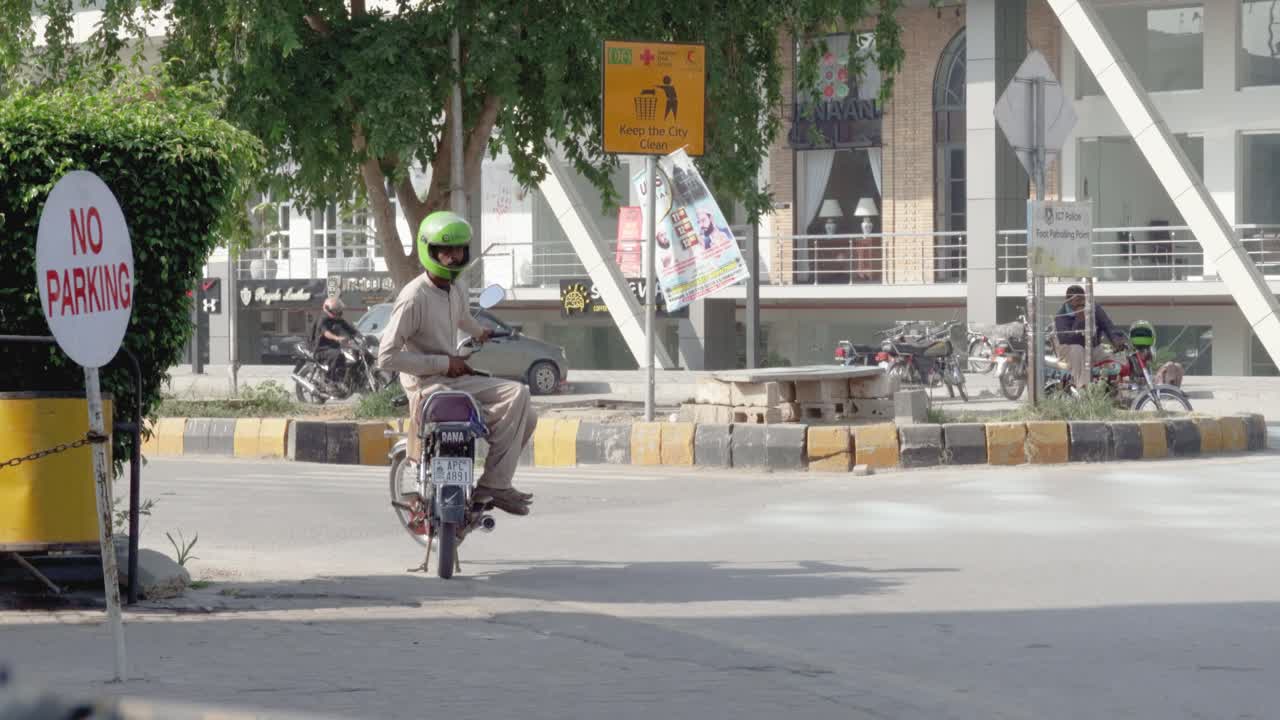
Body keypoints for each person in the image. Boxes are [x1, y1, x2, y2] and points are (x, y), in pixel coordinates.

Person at [376, 211, 536, 516]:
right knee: (467, 404)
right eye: (445, 251)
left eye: (459, 250)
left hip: (452, 374)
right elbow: (386, 356)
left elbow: (462, 317)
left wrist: (481, 333)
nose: (453, 257)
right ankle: (492, 479)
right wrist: (442, 363)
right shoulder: (414, 297)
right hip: (425, 381)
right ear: (430, 250)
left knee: (522, 402)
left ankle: (492, 484)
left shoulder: (456, 288)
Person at [1054, 284, 1125, 389]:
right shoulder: (1061, 316)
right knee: (1077, 350)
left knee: (1112, 362)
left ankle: (1113, 390)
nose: (1081, 302)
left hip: (1092, 347)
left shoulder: (1093, 307)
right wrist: (1080, 319)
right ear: (1068, 301)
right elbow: (1066, 339)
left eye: (1083, 299)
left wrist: (1116, 339)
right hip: (1069, 348)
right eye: (1077, 300)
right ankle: (1083, 388)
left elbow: (1106, 324)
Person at [310, 296, 358, 384]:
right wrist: (337, 338)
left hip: (332, 348)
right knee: (337, 354)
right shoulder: (322, 319)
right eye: (337, 311)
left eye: (339, 311)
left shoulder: (337, 319)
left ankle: (343, 380)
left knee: (347, 357)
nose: (339, 313)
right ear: (329, 310)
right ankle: (331, 382)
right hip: (321, 349)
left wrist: (361, 336)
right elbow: (326, 333)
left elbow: (351, 330)